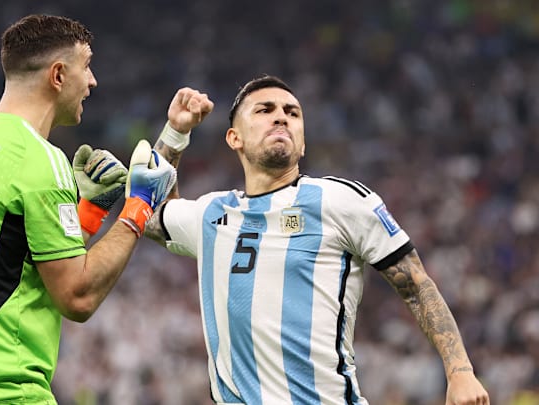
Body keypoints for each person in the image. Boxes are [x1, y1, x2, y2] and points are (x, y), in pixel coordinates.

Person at [145, 75, 490, 405]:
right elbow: (148, 214)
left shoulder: (340, 200)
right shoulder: (212, 213)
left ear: (303, 141)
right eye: (264, 110)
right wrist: (176, 131)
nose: (281, 118)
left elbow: (415, 285)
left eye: (292, 113)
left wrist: (460, 371)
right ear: (234, 137)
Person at [0, 14, 180, 403]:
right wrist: (139, 206)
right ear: (58, 75)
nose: (93, 81)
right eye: (87, 66)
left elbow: (18, 263)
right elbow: (76, 297)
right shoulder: (38, 159)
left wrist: (92, 211)